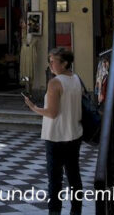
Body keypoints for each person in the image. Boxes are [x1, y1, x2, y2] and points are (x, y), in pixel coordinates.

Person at [23, 47, 83, 215]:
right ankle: (76, 211)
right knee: (74, 177)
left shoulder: (55, 83)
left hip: (56, 136)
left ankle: (54, 212)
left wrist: (33, 107)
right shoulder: (76, 79)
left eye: (53, 61)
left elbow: (51, 113)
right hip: (74, 133)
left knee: (55, 180)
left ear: (64, 63)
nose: (50, 65)